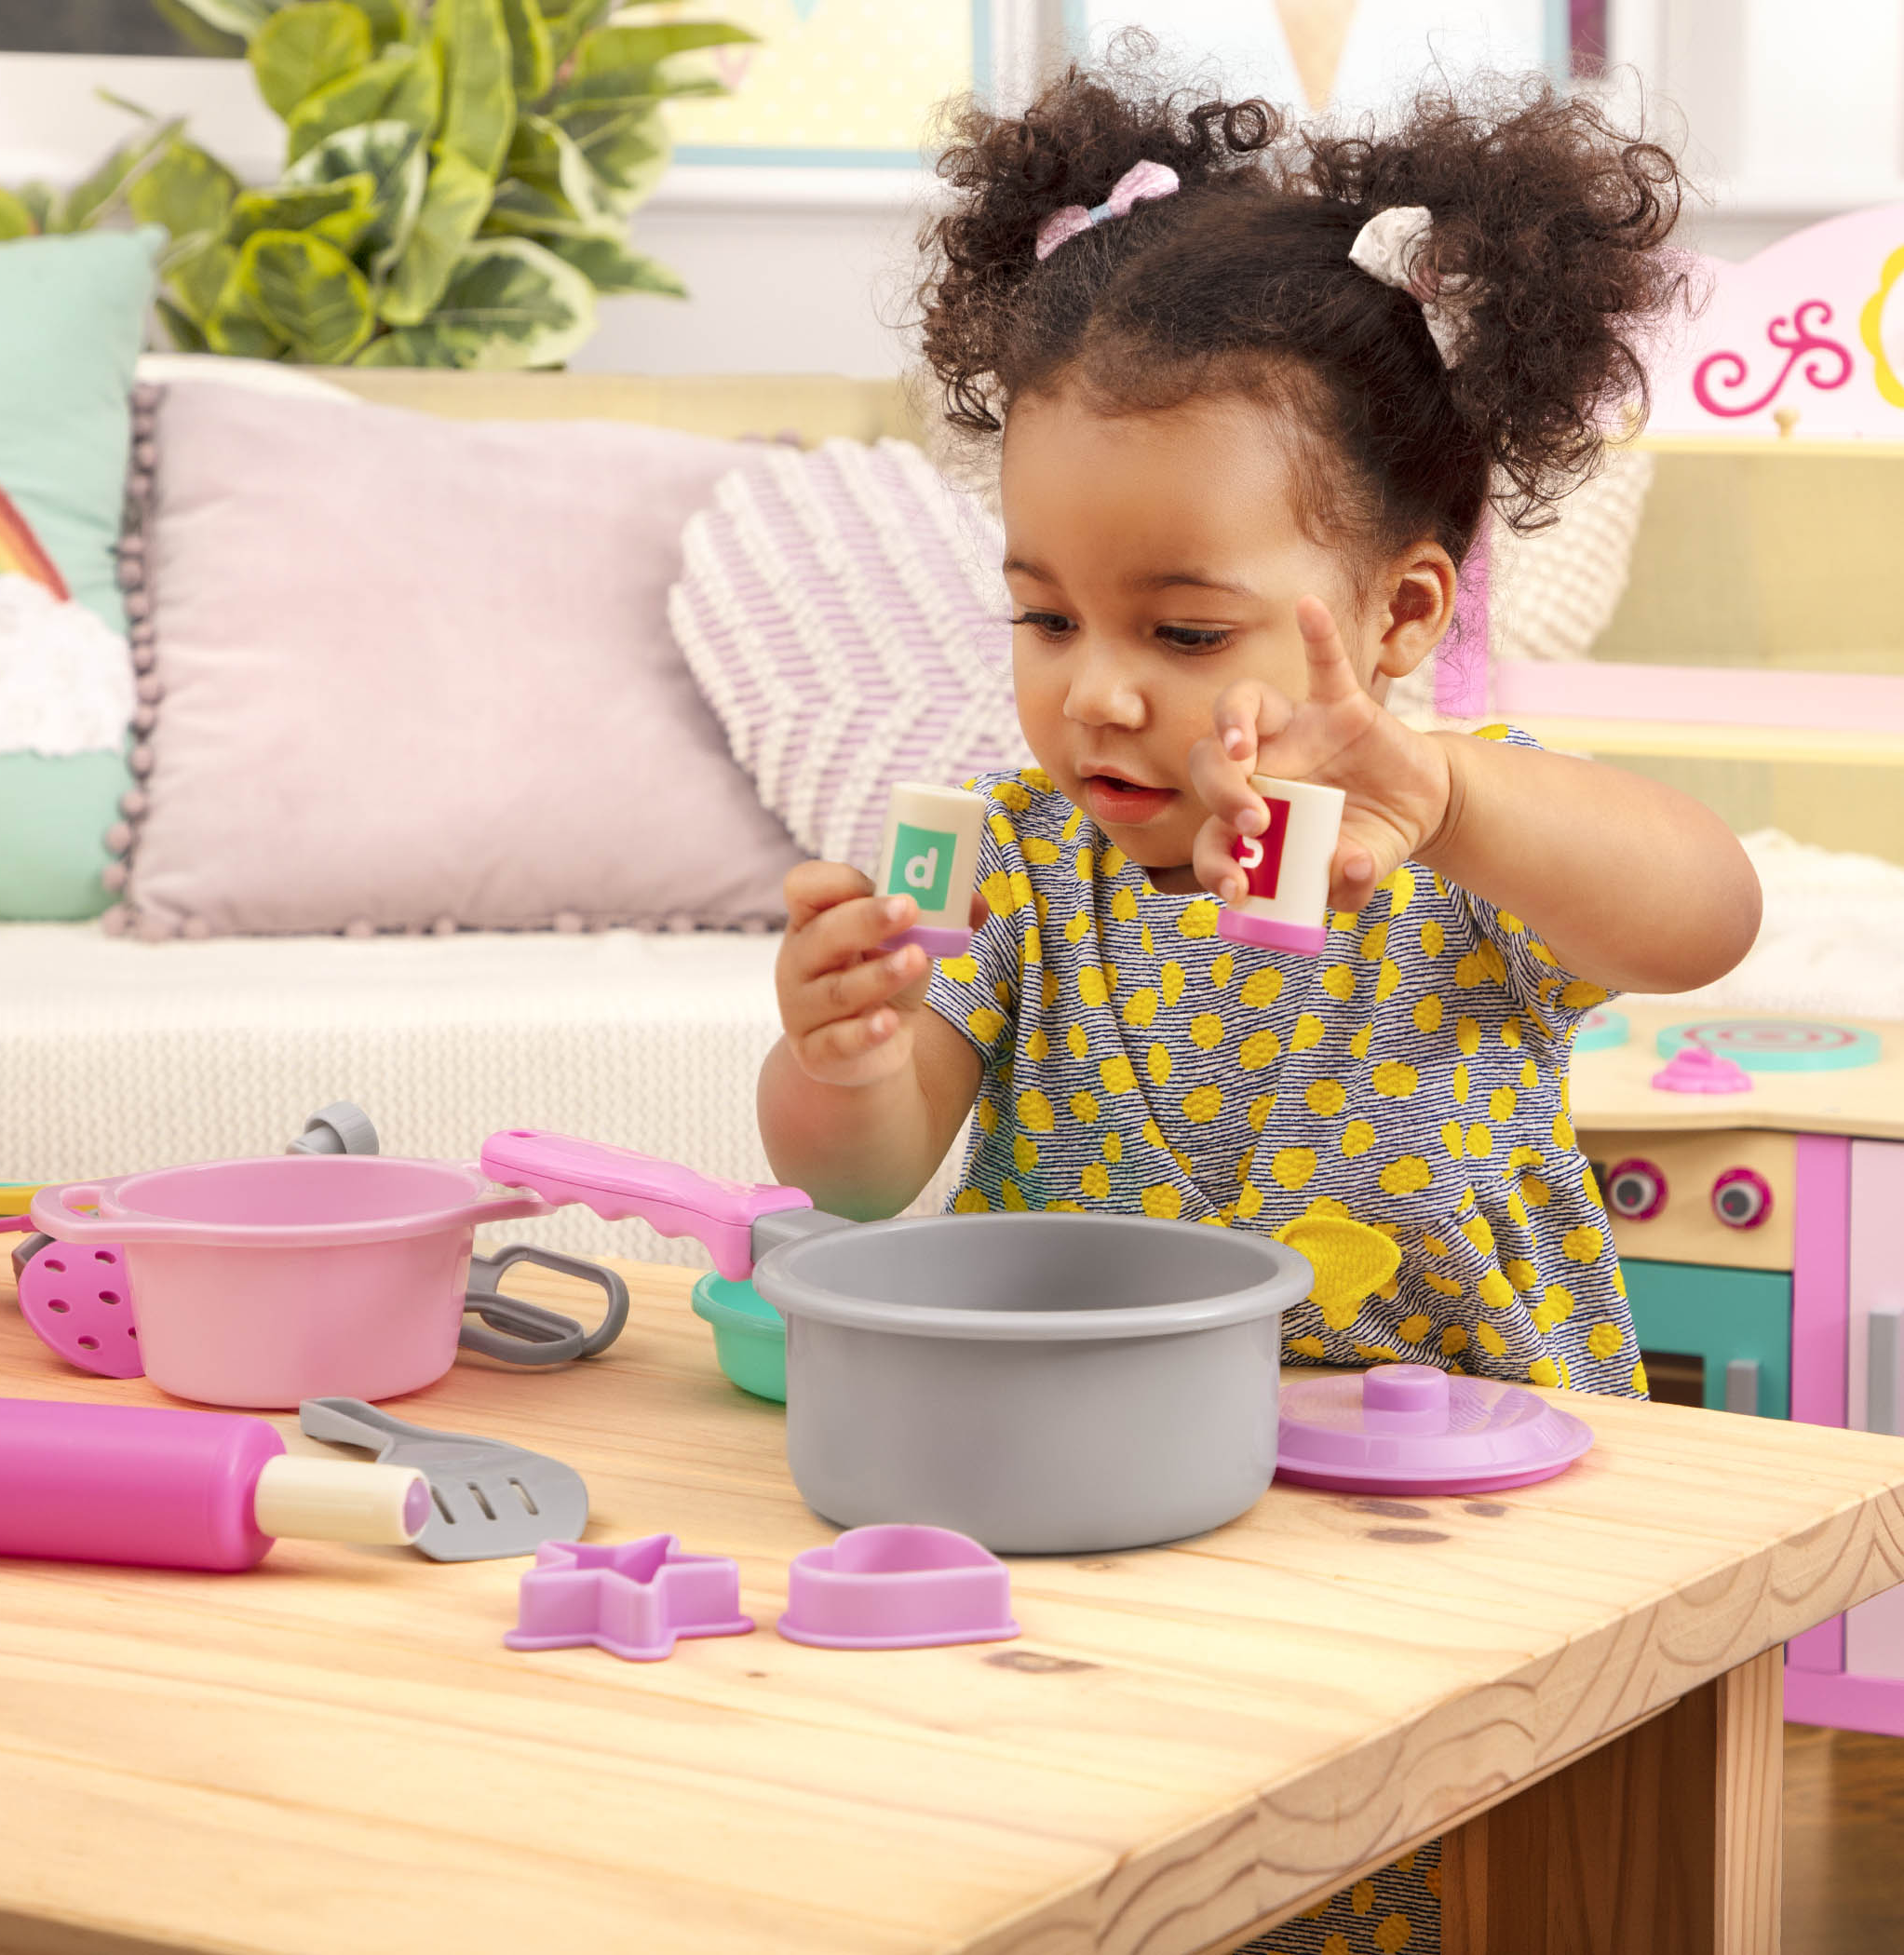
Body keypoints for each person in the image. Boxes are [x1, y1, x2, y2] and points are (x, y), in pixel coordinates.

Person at [757, 58, 1761, 1952]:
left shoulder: (1451, 838)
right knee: (1119, 1875)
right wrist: (846, 1055)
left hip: (1457, 1536)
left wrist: (1456, 802)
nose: (1100, 694)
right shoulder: (1027, 863)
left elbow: (1703, 916)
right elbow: (867, 1180)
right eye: (1049, 618)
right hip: (1103, 1511)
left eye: (1185, 630)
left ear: (1392, 623)